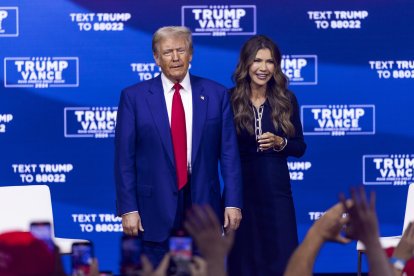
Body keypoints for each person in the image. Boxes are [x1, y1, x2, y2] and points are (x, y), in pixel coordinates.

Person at [114, 26, 242, 266]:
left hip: (203, 206)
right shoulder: (134, 98)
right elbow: (124, 158)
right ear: (156, 58)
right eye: (168, 52)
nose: (175, 58)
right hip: (153, 209)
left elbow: (229, 155)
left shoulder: (216, 94)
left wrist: (233, 202)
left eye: (181, 50)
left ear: (191, 54)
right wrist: (128, 208)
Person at [227, 35, 306, 276]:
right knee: (243, 261)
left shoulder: (286, 99)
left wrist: (281, 142)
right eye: (257, 61)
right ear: (246, 64)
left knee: (282, 259)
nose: (263, 68)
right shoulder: (229, 100)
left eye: (270, 62)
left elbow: (300, 147)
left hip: (277, 193)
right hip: (242, 193)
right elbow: (221, 150)